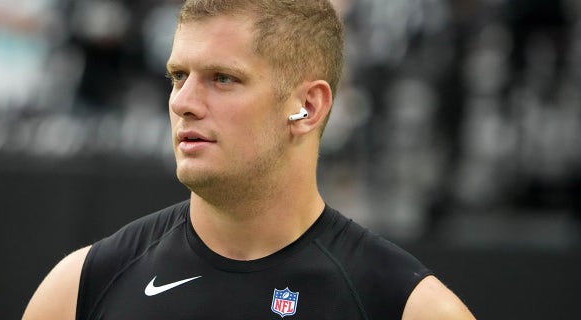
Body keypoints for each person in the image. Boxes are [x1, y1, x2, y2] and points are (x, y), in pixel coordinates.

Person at [23, 0, 476, 319]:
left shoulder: (407, 307)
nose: (184, 102)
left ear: (307, 108)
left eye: (222, 78)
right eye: (179, 76)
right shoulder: (81, 288)